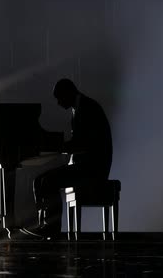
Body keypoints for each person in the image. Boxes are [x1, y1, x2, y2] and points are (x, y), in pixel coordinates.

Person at [24, 78, 112, 238]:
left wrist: (59, 146)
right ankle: (43, 222)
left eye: (59, 97)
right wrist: (62, 147)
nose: (58, 103)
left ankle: (52, 229)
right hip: (87, 164)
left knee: (49, 181)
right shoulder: (80, 107)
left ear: (68, 92)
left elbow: (85, 144)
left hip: (93, 167)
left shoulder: (87, 107)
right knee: (38, 180)